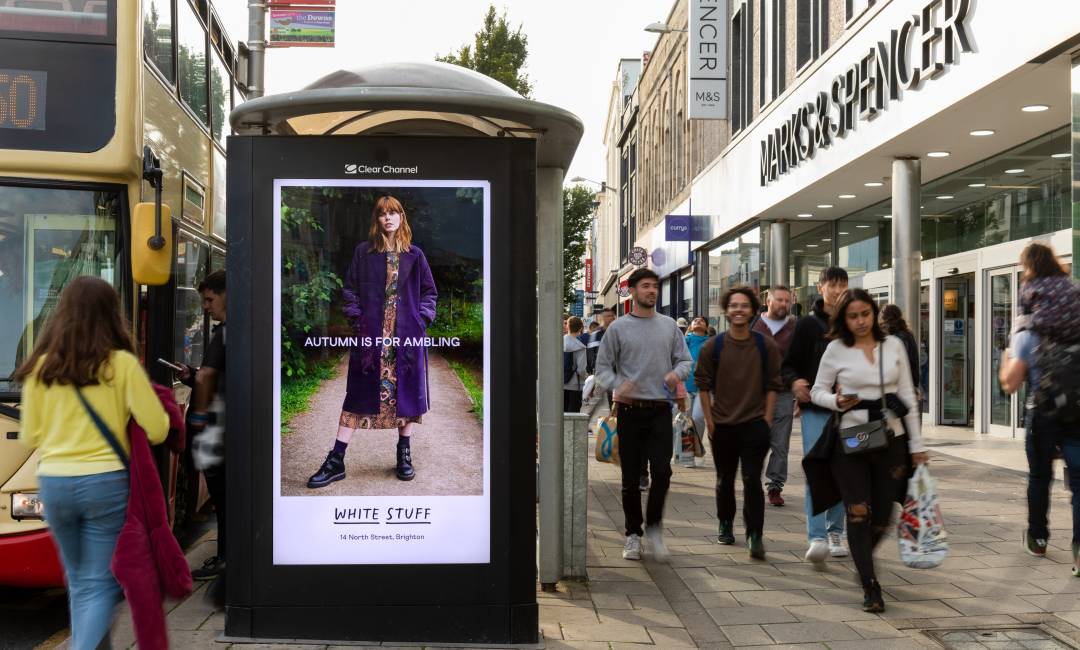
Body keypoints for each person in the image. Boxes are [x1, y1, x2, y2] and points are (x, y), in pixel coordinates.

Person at [16, 277, 169, 649]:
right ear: (111, 315)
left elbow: (30, 437)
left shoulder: (41, 368)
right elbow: (159, 429)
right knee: (98, 583)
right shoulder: (122, 365)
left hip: (53, 483)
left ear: (61, 314)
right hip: (104, 484)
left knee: (79, 580)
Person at [807, 288, 927, 612]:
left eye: (865, 314)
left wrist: (917, 445)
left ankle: (862, 558)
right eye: (853, 316)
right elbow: (816, 391)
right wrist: (835, 401)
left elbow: (907, 399)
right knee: (858, 511)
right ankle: (870, 584)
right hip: (854, 436)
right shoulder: (835, 349)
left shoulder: (894, 345)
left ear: (874, 314)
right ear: (844, 319)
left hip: (892, 438)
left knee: (883, 514)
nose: (860, 321)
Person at [307, 196, 437, 487]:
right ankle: (336, 460)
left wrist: (422, 319)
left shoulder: (415, 256)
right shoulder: (364, 253)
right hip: (371, 340)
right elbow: (350, 290)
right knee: (356, 397)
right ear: (376, 220)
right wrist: (358, 321)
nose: (388, 218)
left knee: (405, 400)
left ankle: (404, 453)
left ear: (402, 218)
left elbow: (430, 293)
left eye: (393, 213)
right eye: (383, 214)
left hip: (406, 340)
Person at [594, 267, 693, 562]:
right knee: (631, 477)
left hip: (660, 410)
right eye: (646, 286)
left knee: (662, 472)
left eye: (655, 287)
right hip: (629, 410)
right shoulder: (618, 329)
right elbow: (602, 370)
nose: (652, 291)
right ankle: (632, 535)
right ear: (633, 291)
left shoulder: (669, 327)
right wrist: (617, 384)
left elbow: (685, 361)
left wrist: (676, 375)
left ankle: (654, 528)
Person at [1001, 261, 1080, 568]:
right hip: (1077, 411)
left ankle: (1038, 540)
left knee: (1040, 477)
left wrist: (1005, 357)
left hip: (1044, 412)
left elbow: (1010, 383)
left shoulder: (1029, 331)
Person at [695, 287, 783, 559]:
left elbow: (773, 385)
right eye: (734, 305)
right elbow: (703, 385)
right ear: (726, 309)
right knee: (724, 480)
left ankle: (754, 534)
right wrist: (709, 422)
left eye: (744, 305)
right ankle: (725, 522)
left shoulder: (764, 345)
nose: (739, 310)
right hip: (722, 426)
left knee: (752, 480)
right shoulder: (714, 345)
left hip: (755, 425)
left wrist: (767, 419)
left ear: (753, 309)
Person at [782, 266, 849, 566]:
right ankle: (817, 536)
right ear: (820, 287)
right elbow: (788, 365)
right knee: (817, 470)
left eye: (842, 284)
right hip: (816, 410)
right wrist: (795, 383)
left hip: (851, 412)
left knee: (845, 472)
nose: (837, 290)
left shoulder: (854, 321)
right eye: (832, 285)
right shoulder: (808, 325)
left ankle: (837, 532)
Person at [179, 270, 229, 581]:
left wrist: (197, 416)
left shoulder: (223, 333)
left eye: (210, 299)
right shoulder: (238, 329)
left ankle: (225, 559)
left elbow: (207, 376)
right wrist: (190, 374)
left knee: (222, 496)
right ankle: (226, 555)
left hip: (217, 427)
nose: (206, 307)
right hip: (230, 426)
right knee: (224, 498)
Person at [752, 286, 797, 507]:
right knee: (756, 442)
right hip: (755, 395)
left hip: (783, 393)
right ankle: (752, 482)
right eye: (779, 300)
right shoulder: (754, 324)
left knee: (781, 444)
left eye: (787, 301)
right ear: (768, 301)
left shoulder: (794, 326)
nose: (783, 304)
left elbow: (801, 359)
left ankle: (775, 486)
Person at [1017, 242, 1080, 341]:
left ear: (1029, 265)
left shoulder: (1030, 285)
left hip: (1048, 335)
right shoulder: (1068, 281)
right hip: (1074, 336)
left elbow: (1023, 313)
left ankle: (1016, 356)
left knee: (1020, 325)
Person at [880, 304, 919, 394]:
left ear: (888, 320)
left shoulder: (899, 337)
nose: (882, 323)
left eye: (883, 320)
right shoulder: (906, 333)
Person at [684, 316, 710, 438]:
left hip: (703, 389)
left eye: (702, 320)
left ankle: (696, 444)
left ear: (706, 327)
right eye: (695, 320)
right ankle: (685, 450)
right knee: (685, 420)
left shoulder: (711, 342)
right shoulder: (684, 341)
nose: (698, 321)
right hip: (685, 388)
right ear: (691, 326)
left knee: (698, 418)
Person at [563, 316, 588, 412]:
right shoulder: (580, 347)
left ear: (567, 327)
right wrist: (586, 377)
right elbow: (581, 369)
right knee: (574, 414)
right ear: (580, 328)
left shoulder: (559, 342)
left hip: (560, 384)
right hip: (575, 384)